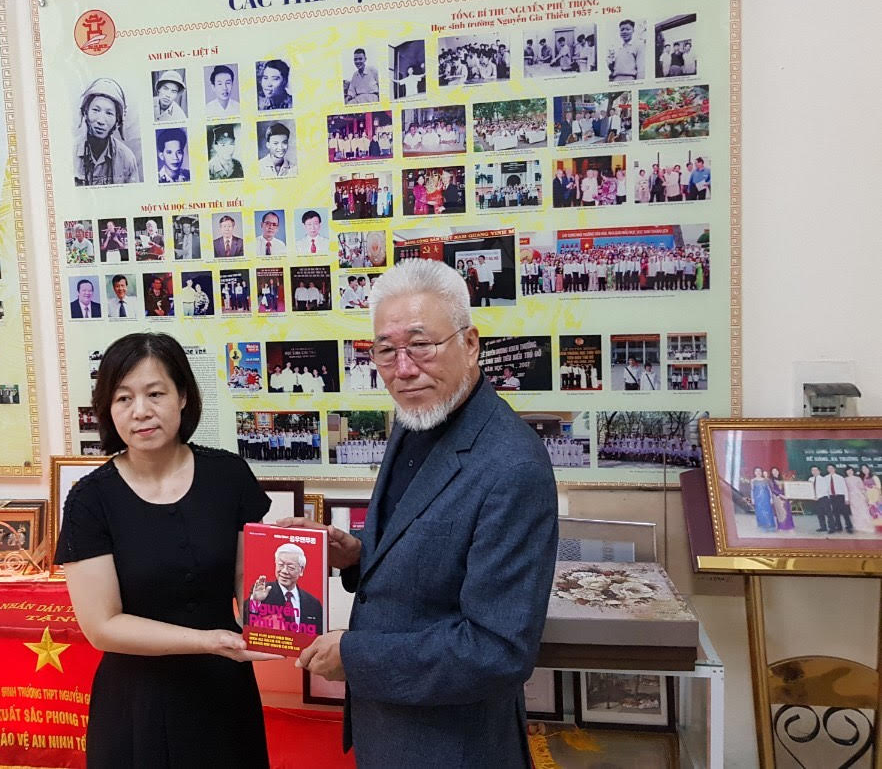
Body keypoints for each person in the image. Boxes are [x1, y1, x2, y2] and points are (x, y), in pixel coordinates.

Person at [281, 258, 557, 767]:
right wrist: (356, 555)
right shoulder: (417, 417)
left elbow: (498, 649)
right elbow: (426, 550)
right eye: (386, 351)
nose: (403, 369)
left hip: (453, 745)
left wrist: (353, 656)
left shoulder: (513, 465)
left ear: (470, 344)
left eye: (421, 345)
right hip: (387, 730)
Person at [56, 333, 279, 768]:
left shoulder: (229, 476)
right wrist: (207, 641)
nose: (140, 411)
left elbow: (247, 581)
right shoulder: (90, 499)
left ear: (183, 397)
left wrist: (288, 622)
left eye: (155, 394)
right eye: (123, 398)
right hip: (136, 699)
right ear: (108, 409)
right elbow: (102, 626)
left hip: (223, 692)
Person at [74, 78, 141, 185]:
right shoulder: (70, 153)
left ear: (117, 121)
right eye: (96, 110)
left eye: (109, 113)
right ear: (85, 113)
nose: (101, 121)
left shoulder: (126, 158)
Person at [246, 542, 324, 634]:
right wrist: (255, 601)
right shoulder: (262, 592)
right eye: (281, 565)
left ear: (301, 570)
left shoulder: (313, 603)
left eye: (291, 567)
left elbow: (318, 634)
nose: (284, 571)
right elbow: (247, 622)